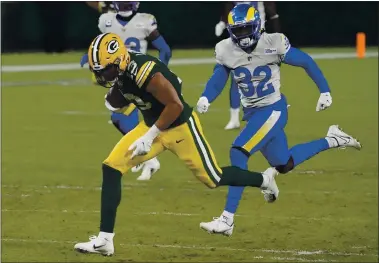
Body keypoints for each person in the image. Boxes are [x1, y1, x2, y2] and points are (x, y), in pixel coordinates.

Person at [74, 33, 280, 256]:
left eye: (105, 69)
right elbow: (128, 98)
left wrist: (148, 137)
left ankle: (264, 179)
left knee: (213, 178)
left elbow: (175, 105)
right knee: (111, 167)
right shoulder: (123, 72)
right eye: (99, 70)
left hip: (180, 126)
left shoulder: (145, 71)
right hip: (152, 125)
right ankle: (105, 239)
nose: (102, 75)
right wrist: (120, 105)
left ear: (119, 60)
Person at [196, 4, 361, 236]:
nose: (242, 35)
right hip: (253, 114)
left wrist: (324, 90)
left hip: (273, 109)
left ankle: (227, 220)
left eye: (246, 29)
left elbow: (305, 61)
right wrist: (206, 96)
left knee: (238, 151)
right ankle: (334, 139)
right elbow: (219, 76)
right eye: (238, 30)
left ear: (257, 27)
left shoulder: (273, 42)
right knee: (284, 164)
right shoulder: (226, 49)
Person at [81, 1, 172, 180]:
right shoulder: (107, 20)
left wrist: (159, 71)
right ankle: (142, 155)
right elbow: (102, 46)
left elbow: (165, 50)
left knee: (119, 116)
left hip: (137, 74)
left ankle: (149, 158)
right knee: (122, 117)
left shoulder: (143, 21)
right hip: (123, 75)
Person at [215, 1, 281, 130]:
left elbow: (272, 12)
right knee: (237, 78)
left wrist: (277, 34)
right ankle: (235, 118)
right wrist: (223, 22)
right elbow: (229, 10)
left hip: (259, 38)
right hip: (239, 40)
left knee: (264, 77)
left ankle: (267, 114)